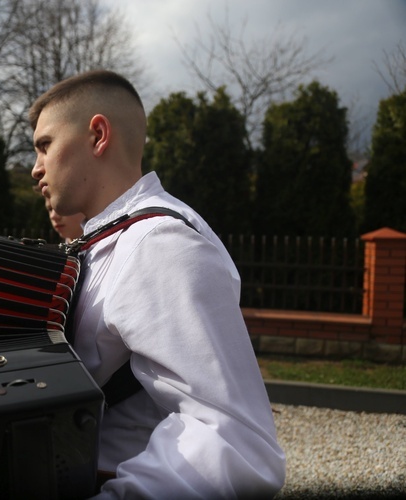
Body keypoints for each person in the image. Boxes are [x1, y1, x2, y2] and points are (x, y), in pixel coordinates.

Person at [30, 70, 285, 498]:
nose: (36, 168)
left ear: (97, 135)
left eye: (45, 146)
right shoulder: (105, 241)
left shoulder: (159, 243)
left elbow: (236, 443)